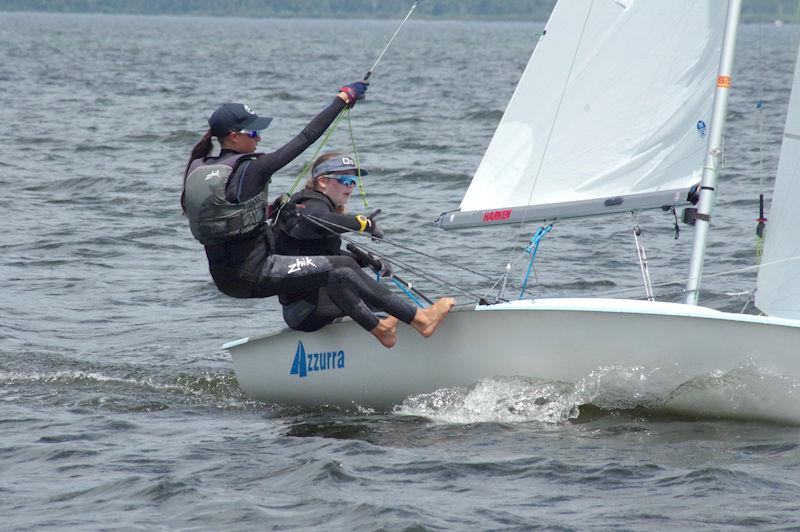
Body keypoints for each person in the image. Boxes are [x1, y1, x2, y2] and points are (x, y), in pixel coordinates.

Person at [181, 81, 368, 299]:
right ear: (233, 135)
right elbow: (305, 138)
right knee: (342, 267)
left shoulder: (201, 167)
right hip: (251, 275)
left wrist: (271, 209)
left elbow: (227, 217)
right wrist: (342, 99)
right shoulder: (254, 168)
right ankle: (399, 322)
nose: (259, 138)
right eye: (253, 132)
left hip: (225, 278)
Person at [275, 151, 455, 347]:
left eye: (353, 181)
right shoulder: (312, 204)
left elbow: (318, 255)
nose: (351, 186)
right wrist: (364, 223)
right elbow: (320, 221)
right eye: (344, 179)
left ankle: (392, 325)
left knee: (357, 282)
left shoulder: (317, 206)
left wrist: (366, 261)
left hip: (310, 306)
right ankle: (420, 320)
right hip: (303, 311)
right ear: (323, 181)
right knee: (339, 275)